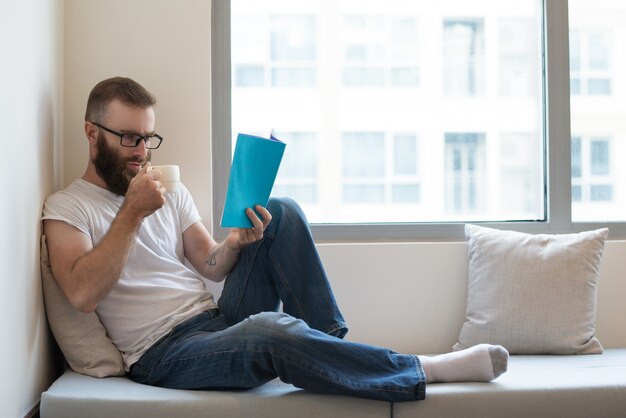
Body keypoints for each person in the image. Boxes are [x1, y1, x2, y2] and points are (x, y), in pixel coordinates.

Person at [42, 76, 508, 402]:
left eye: (148, 138)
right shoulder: (68, 208)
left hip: (216, 319)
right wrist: (132, 213)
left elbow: (209, 264)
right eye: (129, 138)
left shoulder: (170, 189)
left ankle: (331, 347)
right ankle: (421, 368)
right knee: (271, 329)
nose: (142, 152)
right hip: (163, 354)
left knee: (281, 210)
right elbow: (83, 293)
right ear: (91, 133)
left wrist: (237, 243)